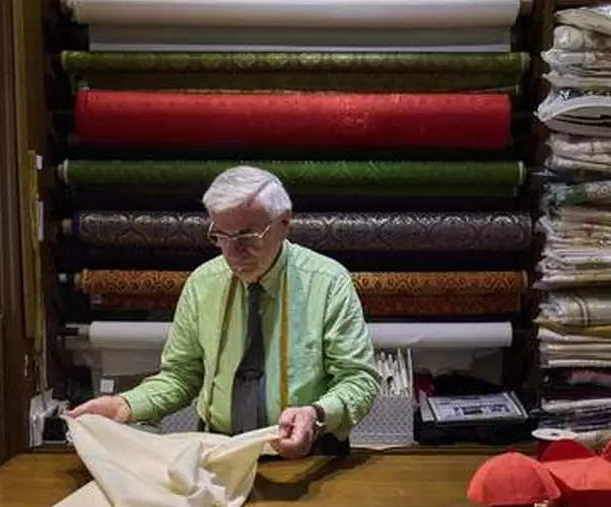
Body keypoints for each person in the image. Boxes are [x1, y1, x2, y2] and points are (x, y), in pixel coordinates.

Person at [70, 165, 381, 459]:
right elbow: (181, 376)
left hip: (310, 452)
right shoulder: (203, 283)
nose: (233, 254)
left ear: (284, 223)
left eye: (247, 237)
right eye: (221, 236)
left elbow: (358, 379)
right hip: (219, 452)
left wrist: (315, 415)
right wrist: (124, 405)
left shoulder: (327, 282)